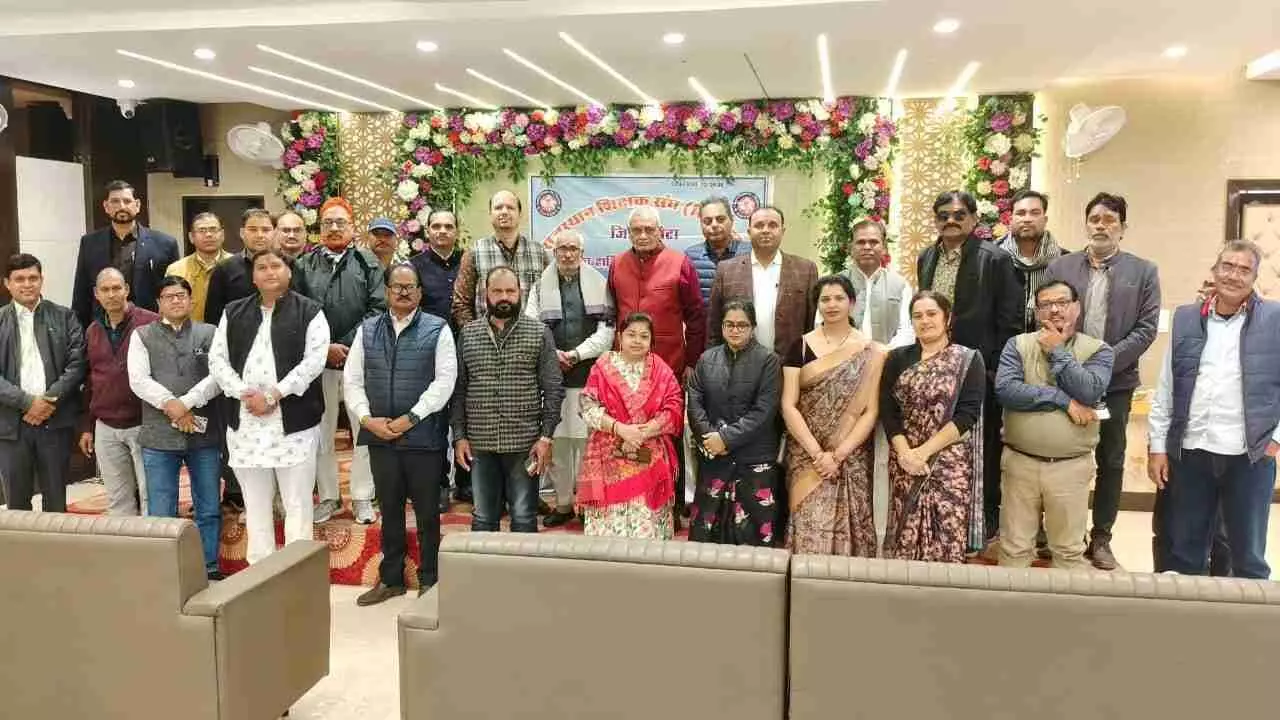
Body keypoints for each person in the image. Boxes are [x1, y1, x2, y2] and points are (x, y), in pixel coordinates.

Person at [1148, 240, 1280, 579]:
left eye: (1244, 269)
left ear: (1255, 277)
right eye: (1227, 266)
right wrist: (1158, 446)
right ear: (1215, 271)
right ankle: (1188, 612)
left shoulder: (1275, 319)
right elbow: (1167, 386)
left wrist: (1276, 438)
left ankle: (1249, 613)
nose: (1234, 275)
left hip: (1249, 455)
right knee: (1184, 552)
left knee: (1247, 557)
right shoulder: (1186, 318)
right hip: (1192, 452)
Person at [1044, 192, 1160, 570]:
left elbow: (1146, 329)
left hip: (1116, 383)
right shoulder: (1061, 267)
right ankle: (1064, 533)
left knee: (1110, 459)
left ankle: (1101, 538)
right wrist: (1071, 363)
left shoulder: (1143, 272)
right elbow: (1045, 315)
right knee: (1063, 453)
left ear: (1123, 228)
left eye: (1109, 220)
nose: (1101, 226)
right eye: (1094, 219)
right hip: (1066, 378)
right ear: (1086, 224)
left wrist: (1103, 364)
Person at [345, 263, 457, 605]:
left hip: (424, 437)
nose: (404, 292)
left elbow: (445, 381)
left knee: (427, 514)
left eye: (410, 287)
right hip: (380, 436)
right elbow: (352, 380)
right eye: (397, 286)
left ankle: (430, 580)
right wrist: (367, 419)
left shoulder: (438, 328)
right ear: (387, 291)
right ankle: (390, 578)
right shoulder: (366, 331)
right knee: (389, 511)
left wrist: (412, 417)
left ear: (420, 292)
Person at [208, 249, 329, 565]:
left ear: (289, 272)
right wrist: (243, 393)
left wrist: (274, 395)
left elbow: (314, 362)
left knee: (297, 503)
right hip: (246, 419)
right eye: (261, 267)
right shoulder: (233, 311)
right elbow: (217, 360)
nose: (269, 271)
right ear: (253, 276)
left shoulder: (310, 312)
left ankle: (297, 571)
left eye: (276, 265)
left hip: (292, 422)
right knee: (255, 504)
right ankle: (260, 571)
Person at [916, 190, 1022, 547]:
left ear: (974, 220)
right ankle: (942, 516)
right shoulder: (927, 257)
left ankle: (984, 521)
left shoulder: (995, 259)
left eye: (959, 214)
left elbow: (1010, 320)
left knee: (984, 446)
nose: (951, 220)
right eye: (943, 215)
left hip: (979, 368)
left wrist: (995, 369)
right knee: (940, 442)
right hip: (937, 368)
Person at [995, 280, 1114, 570]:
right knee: (1014, 548)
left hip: (1070, 467)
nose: (1055, 310)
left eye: (1062, 302)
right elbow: (1007, 390)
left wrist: (1058, 351)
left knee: (1068, 551)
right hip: (1020, 463)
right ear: (1037, 312)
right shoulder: (1018, 345)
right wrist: (1062, 400)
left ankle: (1064, 603)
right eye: (1046, 304)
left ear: (1077, 307)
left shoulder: (1098, 350)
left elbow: (1089, 391)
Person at [608, 206, 706, 523]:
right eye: (636, 229)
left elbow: (696, 317)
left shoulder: (679, 263)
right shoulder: (617, 264)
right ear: (628, 233)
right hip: (625, 370)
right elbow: (612, 315)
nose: (643, 235)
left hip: (669, 367)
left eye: (649, 229)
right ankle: (632, 503)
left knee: (668, 436)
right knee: (628, 435)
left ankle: (672, 506)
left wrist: (691, 362)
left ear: (661, 230)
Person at [294, 197, 385, 525]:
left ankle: (362, 496)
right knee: (322, 432)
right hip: (317, 363)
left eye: (340, 222)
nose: (334, 228)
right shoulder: (304, 265)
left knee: (364, 431)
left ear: (352, 228)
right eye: (328, 222)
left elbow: (378, 309)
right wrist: (325, 348)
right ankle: (329, 497)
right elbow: (297, 311)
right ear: (319, 229)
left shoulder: (368, 262)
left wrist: (345, 346)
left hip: (359, 361)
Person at [452, 267, 564, 533]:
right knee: (483, 518)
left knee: (524, 518)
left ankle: (523, 564)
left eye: (510, 291)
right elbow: (459, 389)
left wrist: (546, 437)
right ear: (485, 294)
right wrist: (459, 436)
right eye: (497, 291)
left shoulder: (538, 332)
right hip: (480, 442)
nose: (504, 297)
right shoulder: (468, 334)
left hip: (524, 442)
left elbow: (553, 388)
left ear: (520, 293)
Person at [781, 275, 885, 556]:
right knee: (808, 526)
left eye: (839, 298)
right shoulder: (801, 346)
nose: (832, 304)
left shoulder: (871, 351)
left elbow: (870, 411)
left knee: (852, 528)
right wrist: (817, 454)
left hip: (850, 455)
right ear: (817, 305)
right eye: (825, 299)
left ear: (852, 303)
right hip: (806, 453)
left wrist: (837, 455)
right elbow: (789, 405)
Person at [128, 276, 224, 580]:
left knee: (209, 506)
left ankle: (209, 567)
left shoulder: (210, 333)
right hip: (159, 435)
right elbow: (138, 380)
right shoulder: (142, 335)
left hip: (204, 435)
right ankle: (165, 572)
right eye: (168, 296)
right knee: (161, 509)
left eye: (181, 295)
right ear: (158, 302)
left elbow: (219, 376)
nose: (176, 300)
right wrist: (171, 404)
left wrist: (187, 402)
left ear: (191, 300)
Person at [879, 291, 986, 562]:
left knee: (947, 536)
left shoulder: (968, 360)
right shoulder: (896, 359)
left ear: (947, 318)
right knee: (905, 536)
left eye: (931, 314)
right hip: (905, 463)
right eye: (917, 316)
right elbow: (888, 412)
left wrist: (923, 453)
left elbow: (967, 415)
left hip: (948, 463)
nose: (924, 320)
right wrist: (906, 453)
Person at [203, 207, 294, 514]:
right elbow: (213, 319)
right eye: (253, 229)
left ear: (274, 232)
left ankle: (281, 496)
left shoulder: (287, 266)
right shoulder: (226, 270)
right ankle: (239, 494)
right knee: (239, 428)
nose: (259, 235)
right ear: (242, 233)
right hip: (238, 368)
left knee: (285, 434)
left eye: (265, 229)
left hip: (282, 367)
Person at [528, 230, 615, 527]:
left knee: (589, 446)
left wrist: (576, 355)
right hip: (552, 382)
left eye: (573, 249)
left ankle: (588, 504)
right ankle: (564, 504)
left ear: (582, 253)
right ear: (554, 252)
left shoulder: (598, 283)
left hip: (589, 378)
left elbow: (607, 332)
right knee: (560, 446)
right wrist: (553, 355)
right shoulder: (539, 286)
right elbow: (531, 325)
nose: (567, 254)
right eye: (562, 248)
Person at [577, 312, 685, 539]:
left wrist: (643, 432)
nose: (637, 340)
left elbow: (674, 406)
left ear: (651, 341)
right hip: (609, 457)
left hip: (649, 457)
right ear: (619, 336)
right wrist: (621, 429)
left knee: (647, 527)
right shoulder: (602, 366)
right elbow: (587, 406)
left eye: (644, 336)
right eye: (631, 334)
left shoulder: (661, 369)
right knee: (609, 530)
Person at [687, 300, 782, 545]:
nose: (735, 330)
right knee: (707, 535)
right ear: (722, 327)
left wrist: (726, 439)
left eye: (742, 325)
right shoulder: (706, 359)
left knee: (753, 537)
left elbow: (764, 411)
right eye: (729, 324)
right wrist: (711, 439)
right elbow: (695, 402)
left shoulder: (769, 361)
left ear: (753, 327)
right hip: (714, 456)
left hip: (754, 458)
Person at [0, 253, 87, 511]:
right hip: (11, 425)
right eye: (19, 279)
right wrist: (28, 403)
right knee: (17, 503)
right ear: (7, 283)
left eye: (33, 278)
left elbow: (77, 364)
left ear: (41, 280)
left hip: (54, 420)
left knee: (56, 501)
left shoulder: (65, 317)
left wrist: (47, 401)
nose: (27, 284)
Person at [78, 268, 158, 517]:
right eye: (105, 290)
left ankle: (153, 543)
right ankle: (126, 543)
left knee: (152, 496)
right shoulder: (93, 330)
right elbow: (90, 380)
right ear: (96, 294)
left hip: (145, 423)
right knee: (118, 499)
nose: (111, 295)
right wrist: (87, 426)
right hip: (106, 427)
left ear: (127, 290)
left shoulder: (150, 323)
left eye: (116, 288)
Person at [411, 209, 470, 506]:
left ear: (457, 231)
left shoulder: (469, 262)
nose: (443, 231)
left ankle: (467, 482)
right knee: (433, 419)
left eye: (449, 226)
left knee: (468, 416)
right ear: (427, 231)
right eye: (436, 226)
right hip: (429, 354)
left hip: (468, 350)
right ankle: (438, 484)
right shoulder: (414, 266)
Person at [708, 205, 818, 357]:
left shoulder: (805, 270)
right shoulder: (726, 270)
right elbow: (714, 325)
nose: (766, 230)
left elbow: (812, 325)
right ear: (749, 232)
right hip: (738, 362)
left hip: (789, 364)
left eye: (773, 225)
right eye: (759, 225)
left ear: (782, 231)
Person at [71, 180, 180, 328]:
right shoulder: (90, 243)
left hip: (151, 327)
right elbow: (81, 293)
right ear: (106, 207)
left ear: (137, 205)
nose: (122, 206)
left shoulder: (164, 244)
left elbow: (174, 292)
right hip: (104, 327)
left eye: (127, 201)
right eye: (115, 201)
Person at [450, 190, 549, 327]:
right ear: (490, 214)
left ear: (520, 214)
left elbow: (548, 299)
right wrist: (474, 334)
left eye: (510, 207)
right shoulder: (474, 252)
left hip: (531, 336)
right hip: (487, 336)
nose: (504, 212)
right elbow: (461, 303)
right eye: (498, 208)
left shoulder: (538, 252)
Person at [998, 190, 1066, 333]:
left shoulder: (1064, 261)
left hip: (1050, 341)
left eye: (1035, 213)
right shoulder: (994, 259)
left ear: (1045, 220)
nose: (1027, 219)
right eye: (1021, 213)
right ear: (1011, 219)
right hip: (1002, 344)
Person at [844, 219, 915, 348]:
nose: (867, 247)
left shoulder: (900, 285)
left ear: (884, 248)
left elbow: (907, 330)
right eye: (860, 242)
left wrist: (884, 353)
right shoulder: (836, 284)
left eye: (874, 242)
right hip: (842, 357)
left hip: (889, 356)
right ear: (851, 248)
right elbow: (821, 325)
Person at [166, 212, 233, 323]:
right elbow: (168, 309)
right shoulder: (176, 269)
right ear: (191, 237)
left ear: (222, 235)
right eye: (202, 230)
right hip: (189, 331)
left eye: (213, 230)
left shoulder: (236, 265)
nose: (208, 235)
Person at [685, 195, 749, 304]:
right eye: (707, 221)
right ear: (701, 224)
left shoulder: (750, 253)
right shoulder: (690, 257)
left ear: (732, 220)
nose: (714, 225)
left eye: (720, 219)